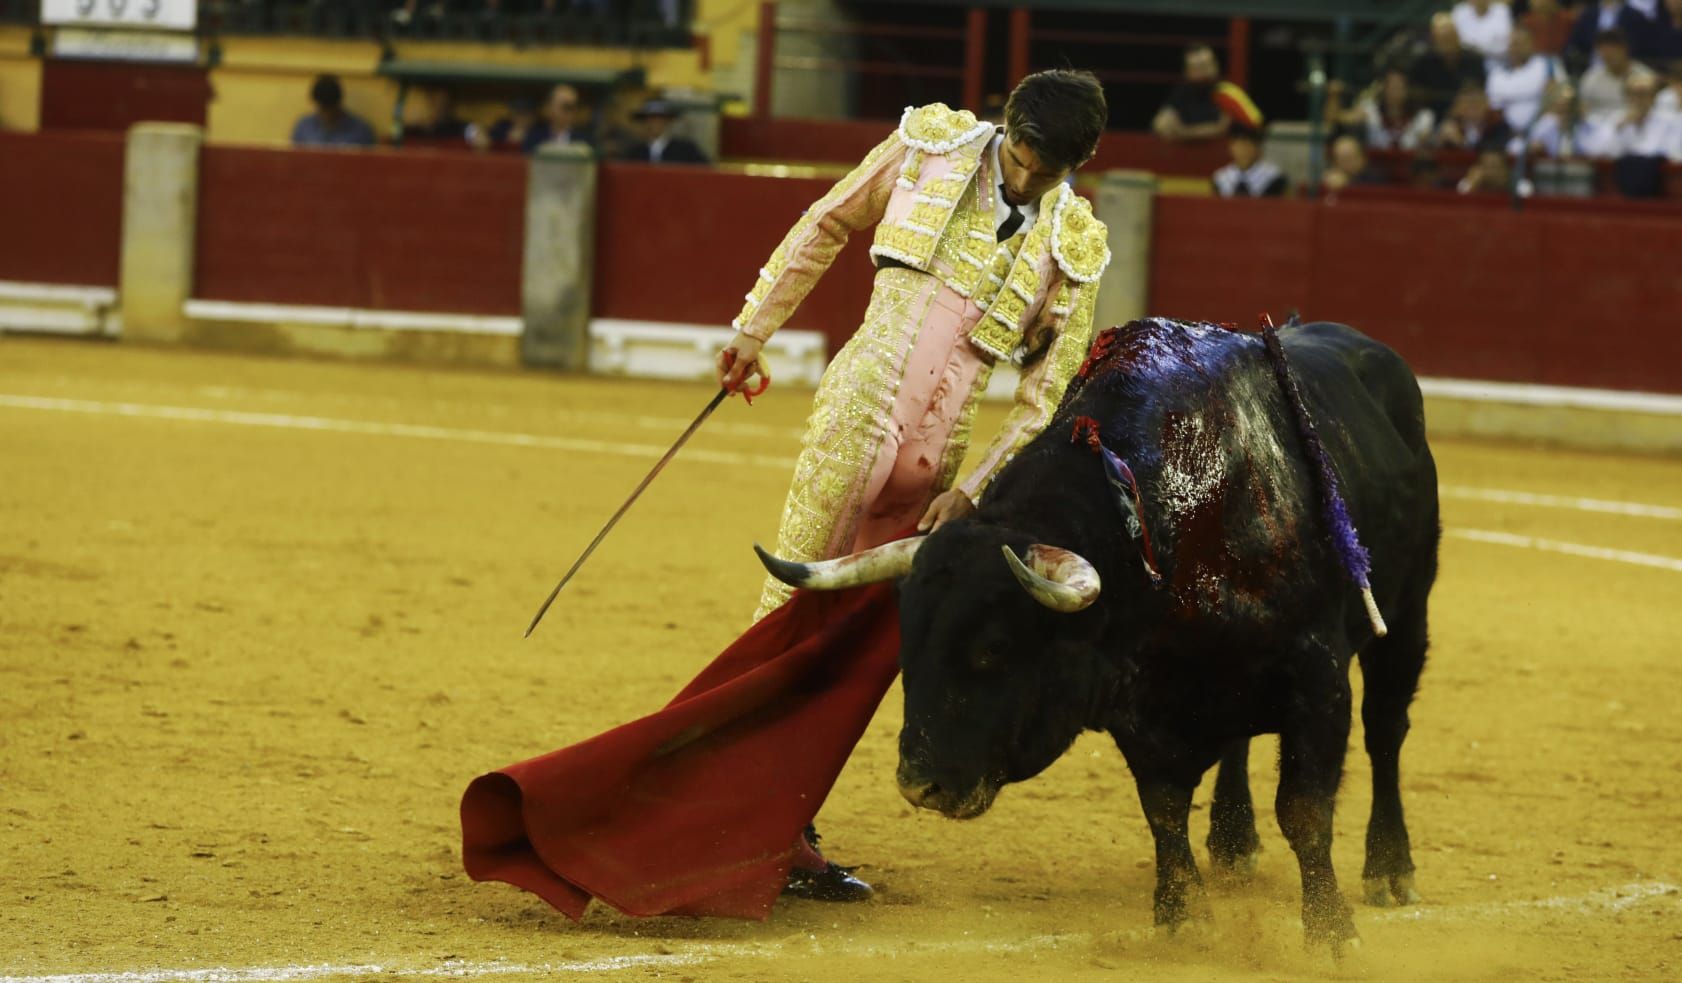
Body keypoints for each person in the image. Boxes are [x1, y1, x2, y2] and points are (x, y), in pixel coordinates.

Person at [712, 75, 1111, 903]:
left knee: (865, 643)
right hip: (858, 414)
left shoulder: (1074, 240)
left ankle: (791, 828)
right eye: (1024, 158)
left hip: (938, 463)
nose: (1028, 181)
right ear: (1008, 126)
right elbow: (825, 221)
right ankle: (724, 816)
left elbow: (1044, 400)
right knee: (786, 611)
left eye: (1049, 172)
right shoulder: (928, 147)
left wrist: (973, 489)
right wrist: (755, 329)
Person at [1152, 44, 1262, 142]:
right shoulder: (1182, 92)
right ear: (1187, 72)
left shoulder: (1227, 91)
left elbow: (1221, 129)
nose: (1204, 72)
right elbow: (1161, 124)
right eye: (1197, 68)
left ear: (1216, 66)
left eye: (1206, 65)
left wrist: (1183, 133)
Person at [1327, 67, 1436, 151]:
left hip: (1411, 170)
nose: (1395, 91)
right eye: (1391, 86)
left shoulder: (1422, 116)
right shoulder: (1370, 111)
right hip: (1377, 170)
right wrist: (1333, 96)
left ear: (1407, 89)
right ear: (1383, 89)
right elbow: (1335, 119)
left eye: (1399, 86)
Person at [1486, 25, 1564, 132]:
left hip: (1545, 127)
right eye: (1514, 44)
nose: (1517, 48)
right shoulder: (1497, 75)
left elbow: (1563, 95)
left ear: (1532, 44)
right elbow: (1495, 109)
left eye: (1522, 43)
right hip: (1508, 134)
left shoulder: (1548, 64)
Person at [474, 84, 590, 154]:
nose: (521, 117)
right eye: (565, 107)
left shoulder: (585, 139)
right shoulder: (535, 134)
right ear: (550, 108)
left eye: (571, 108)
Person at [1412, 12, 1490, 116]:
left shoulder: (1473, 58)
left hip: (1468, 115)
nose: (1447, 44)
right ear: (1434, 40)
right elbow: (1416, 93)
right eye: (1442, 39)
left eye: (1450, 38)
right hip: (1434, 116)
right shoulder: (1425, 62)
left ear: (1457, 36)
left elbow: (1481, 92)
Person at [1578, 28, 1656, 124]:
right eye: (1604, 52)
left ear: (1625, 48)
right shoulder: (1591, 78)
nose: (1608, 55)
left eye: (1613, 50)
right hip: (1597, 130)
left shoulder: (1645, 76)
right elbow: (1583, 109)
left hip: (1634, 128)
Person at [291, 74, 376, 148]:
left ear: (339, 103)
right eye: (323, 108)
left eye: (330, 108)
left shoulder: (360, 131)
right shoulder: (304, 128)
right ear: (316, 104)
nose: (327, 114)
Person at [620, 98, 709, 164]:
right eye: (651, 118)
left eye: (660, 118)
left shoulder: (686, 150)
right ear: (644, 122)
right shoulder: (635, 152)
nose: (655, 123)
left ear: (668, 121)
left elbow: (704, 174)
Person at [1211, 122, 1287, 196]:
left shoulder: (1274, 177)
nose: (1244, 150)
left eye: (1248, 144)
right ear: (1231, 147)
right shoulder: (1221, 178)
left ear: (1258, 147)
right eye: (1239, 145)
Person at [1437, 84, 1515, 149]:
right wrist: (1442, 141)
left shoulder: (1498, 124)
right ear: (1458, 106)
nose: (1472, 108)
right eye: (1468, 103)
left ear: (1487, 105)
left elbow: (1495, 148)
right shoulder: (1451, 124)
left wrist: (1463, 143)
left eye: (1477, 103)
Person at [1452, 0, 1515, 67]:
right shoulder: (1459, 12)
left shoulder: (1502, 10)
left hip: (1499, 62)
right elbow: (1458, 42)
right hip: (1468, 62)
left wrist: (1478, 49)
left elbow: (1507, 43)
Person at [1457, 143, 1534, 195]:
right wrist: (1472, 184)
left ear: (1505, 168)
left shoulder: (1519, 184)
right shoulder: (1469, 182)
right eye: (1486, 167)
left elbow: (1527, 196)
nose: (1491, 172)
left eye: (1495, 166)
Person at [1321, 135, 1387, 191]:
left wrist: (1348, 183)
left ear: (1361, 158)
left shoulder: (1376, 176)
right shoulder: (1330, 175)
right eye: (1339, 159)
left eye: (1348, 158)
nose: (1344, 163)